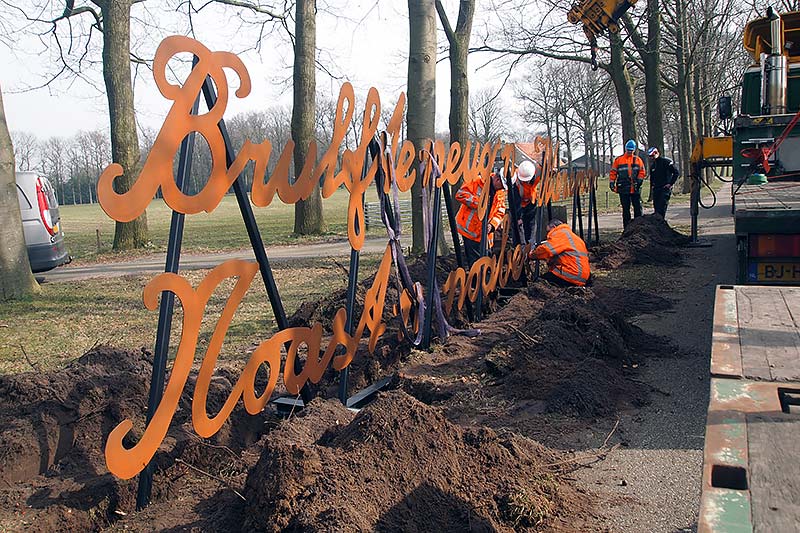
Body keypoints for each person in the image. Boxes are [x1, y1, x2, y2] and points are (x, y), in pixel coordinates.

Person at [456, 169, 507, 267]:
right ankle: (475, 280)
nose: (502, 189)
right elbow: (460, 194)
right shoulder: (476, 181)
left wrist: (492, 225)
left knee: (486, 258)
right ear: (497, 179)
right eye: (501, 186)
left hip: (485, 233)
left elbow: (500, 211)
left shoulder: (499, 192)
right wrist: (480, 204)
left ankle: (481, 278)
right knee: (475, 261)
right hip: (470, 230)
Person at [528, 219, 591, 287]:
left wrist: (532, 254)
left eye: (548, 231)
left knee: (539, 284)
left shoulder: (560, 234)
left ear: (554, 227)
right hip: (582, 277)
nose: (548, 234)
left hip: (570, 275)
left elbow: (546, 250)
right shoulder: (573, 237)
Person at [610, 139, 646, 228]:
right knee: (626, 209)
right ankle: (627, 228)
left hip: (635, 187)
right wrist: (612, 182)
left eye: (631, 150)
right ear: (626, 149)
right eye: (628, 150)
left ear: (634, 150)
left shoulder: (638, 160)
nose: (630, 152)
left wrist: (639, 180)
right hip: (623, 188)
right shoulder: (619, 160)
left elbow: (642, 172)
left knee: (638, 208)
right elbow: (613, 172)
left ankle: (639, 227)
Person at [647, 147, 680, 217]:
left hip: (664, 189)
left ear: (657, 153)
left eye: (652, 156)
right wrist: (652, 186)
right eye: (650, 157)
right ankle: (657, 222)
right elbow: (652, 178)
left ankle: (661, 221)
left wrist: (670, 183)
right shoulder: (653, 166)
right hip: (656, 189)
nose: (651, 158)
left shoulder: (666, 162)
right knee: (656, 208)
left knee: (662, 208)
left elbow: (676, 173)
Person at [513, 160, 540, 243]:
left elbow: (546, 169)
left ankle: (530, 245)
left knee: (531, 225)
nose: (526, 182)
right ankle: (518, 246)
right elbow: (515, 201)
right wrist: (518, 217)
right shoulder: (515, 180)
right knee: (517, 226)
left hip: (531, 201)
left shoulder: (538, 172)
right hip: (520, 204)